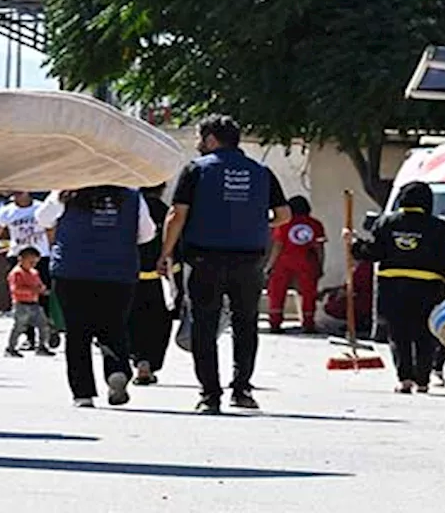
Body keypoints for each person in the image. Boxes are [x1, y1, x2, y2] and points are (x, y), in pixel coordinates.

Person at [159, 114, 292, 413]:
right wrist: (255, 220)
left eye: (199, 138)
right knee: (246, 324)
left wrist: (165, 254)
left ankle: (210, 395)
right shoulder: (261, 171)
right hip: (249, 259)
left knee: (204, 326)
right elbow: (284, 216)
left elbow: (176, 215)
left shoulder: (196, 170)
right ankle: (242, 389)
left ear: (210, 140)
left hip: (205, 258)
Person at [36, 186, 157, 408]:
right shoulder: (131, 196)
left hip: (72, 271)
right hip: (118, 272)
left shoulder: (65, 192)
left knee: (76, 332)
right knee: (114, 327)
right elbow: (146, 233)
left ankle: (83, 393)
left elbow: (42, 218)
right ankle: (117, 370)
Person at [346, 182, 445, 394]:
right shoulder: (439, 228)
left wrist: (353, 242)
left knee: (399, 335)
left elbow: (373, 252)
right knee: (426, 334)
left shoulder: (386, 223)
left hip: (392, 288)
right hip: (428, 289)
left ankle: (405, 379)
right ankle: (422, 380)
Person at [0, 191, 52, 347]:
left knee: (42, 296)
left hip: (41, 256)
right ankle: (29, 337)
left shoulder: (41, 209)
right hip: (19, 259)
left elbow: (51, 230)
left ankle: (45, 336)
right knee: (24, 298)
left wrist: (54, 249)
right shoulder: (7, 210)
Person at [129, 184, 174, 385]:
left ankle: (139, 360)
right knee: (159, 324)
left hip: (129, 276)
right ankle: (150, 362)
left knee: (131, 321)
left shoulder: (130, 208)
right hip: (160, 279)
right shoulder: (167, 212)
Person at [266, 195, 326, 334]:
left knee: (277, 292)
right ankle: (308, 324)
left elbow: (278, 245)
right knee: (308, 293)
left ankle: (275, 323)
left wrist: (269, 266)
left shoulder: (284, 223)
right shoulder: (315, 224)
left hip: (284, 261)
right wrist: (320, 266)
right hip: (307, 261)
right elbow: (319, 248)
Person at [4, 247, 53, 357]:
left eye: (35, 262)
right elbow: (15, 289)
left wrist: (42, 290)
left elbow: (39, 285)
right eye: (31, 262)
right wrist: (31, 290)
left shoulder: (34, 272)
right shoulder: (16, 273)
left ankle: (42, 346)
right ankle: (11, 348)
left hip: (34, 303)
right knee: (19, 327)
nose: (33, 265)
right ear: (21, 259)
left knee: (43, 325)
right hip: (21, 304)